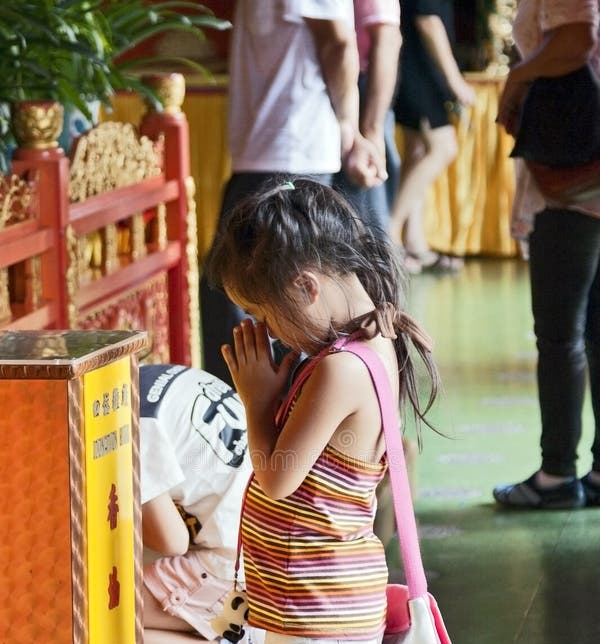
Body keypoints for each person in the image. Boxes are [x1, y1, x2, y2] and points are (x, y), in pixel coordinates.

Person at [206, 177, 551, 644]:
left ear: (306, 287)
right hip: (325, 594)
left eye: (266, 317)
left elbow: (276, 476)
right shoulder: (370, 341)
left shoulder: (337, 370)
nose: (268, 336)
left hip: (319, 600)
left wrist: (256, 397)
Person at [199, 0, 386, 386]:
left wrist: (349, 129)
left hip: (290, 146)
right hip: (266, 150)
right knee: (243, 291)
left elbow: (338, 44)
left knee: (269, 294)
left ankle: (273, 416)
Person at [493, 0, 600, 509]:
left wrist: (519, 77)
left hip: (575, 167)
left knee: (560, 334)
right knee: (595, 329)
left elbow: (577, 38)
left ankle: (558, 475)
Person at [139, 362, 266, 644]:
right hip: (268, 533)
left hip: (235, 567)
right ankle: (211, 623)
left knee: (96, 623)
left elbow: (173, 541)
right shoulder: (155, 377)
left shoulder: (130, 428)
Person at [389, 0, 476, 274]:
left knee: (417, 153)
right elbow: (428, 21)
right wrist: (455, 81)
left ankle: (414, 242)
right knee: (443, 147)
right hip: (418, 70)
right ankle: (389, 235)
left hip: (413, 67)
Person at [333, 0, 402, 233]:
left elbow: (387, 39)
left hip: (360, 94)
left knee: (362, 227)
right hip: (346, 90)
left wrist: (371, 128)